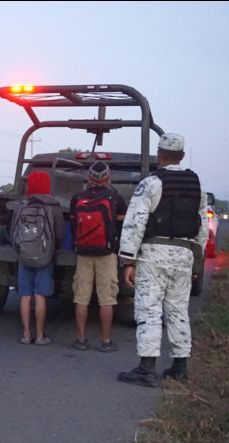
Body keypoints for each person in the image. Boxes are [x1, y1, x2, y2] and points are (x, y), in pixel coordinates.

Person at [117, 133, 208, 387]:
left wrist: (128, 260)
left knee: (149, 309)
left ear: (159, 155)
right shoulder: (197, 186)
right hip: (184, 255)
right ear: (181, 156)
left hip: (154, 255)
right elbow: (201, 228)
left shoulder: (152, 183)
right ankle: (180, 367)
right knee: (178, 310)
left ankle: (146, 369)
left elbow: (135, 224)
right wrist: (197, 262)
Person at [70, 161, 127, 352]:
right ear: (108, 178)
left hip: (83, 254)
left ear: (89, 178)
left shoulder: (77, 198)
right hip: (107, 253)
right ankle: (106, 341)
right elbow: (122, 225)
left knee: (81, 297)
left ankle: (81, 340)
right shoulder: (116, 198)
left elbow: (73, 226)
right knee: (107, 299)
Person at [11, 171, 65, 345]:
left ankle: (26, 334)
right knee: (40, 296)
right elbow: (60, 234)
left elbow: (13, 232)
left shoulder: (21, 205)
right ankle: (40, 335)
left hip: (24, 255)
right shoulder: (53, 205)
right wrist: (52, 249)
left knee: (25, 295)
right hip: (44, 256)